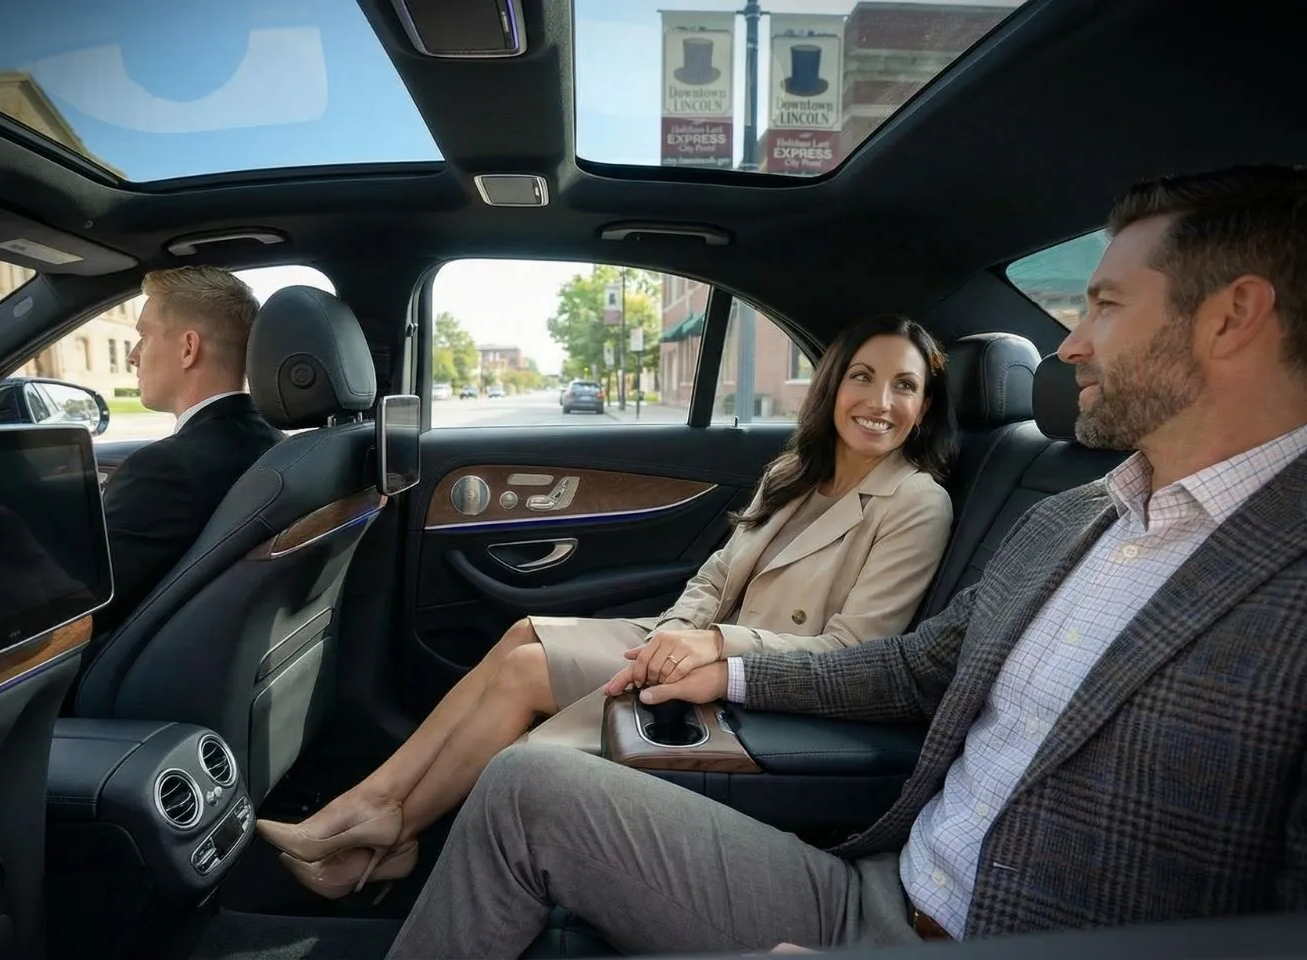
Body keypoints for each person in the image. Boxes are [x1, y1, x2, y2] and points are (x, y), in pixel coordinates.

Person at [384, 163, 1307, 959]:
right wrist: (727, 667)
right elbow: (911, 668)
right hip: (877, 886)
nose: (1070, 342)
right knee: (523, 789)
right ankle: (373, 825)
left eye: (1105, 305)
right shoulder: (1070, 520)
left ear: (1231, 318)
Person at [256, 314, 960, 896]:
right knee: (523, 633)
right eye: (862, 376)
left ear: (925, 406)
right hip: (695, 642)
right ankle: (373, 805)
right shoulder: (797, 473)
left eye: (905, 385)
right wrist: (679, 629)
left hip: (763, 682)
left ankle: (391, 828)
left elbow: (855, 656)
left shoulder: (916, 503)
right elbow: (716, 575)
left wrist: (715, 647)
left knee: (526, 672)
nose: (880, 400)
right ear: (834, 385)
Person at [93, 266, 282, 636]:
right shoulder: (276, 443)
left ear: (188, 348)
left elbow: (85, 603)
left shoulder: (163, 470)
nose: (133, 356)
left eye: (144, 337)